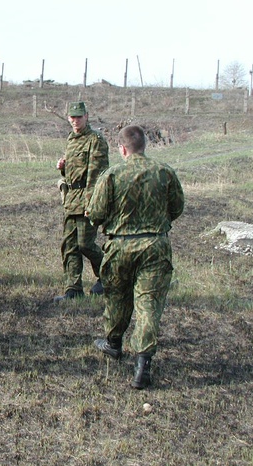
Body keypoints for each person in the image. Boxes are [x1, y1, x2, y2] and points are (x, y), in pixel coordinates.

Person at [89, 125, 185, 389]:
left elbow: (95, 214)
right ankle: (143, 365)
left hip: (120, 246)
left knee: (117, 298)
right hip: (155, 245)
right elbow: (177, 207)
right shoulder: (164, 172)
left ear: (122, 149)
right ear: (145, 145)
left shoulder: (112, 175)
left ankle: (113, 343)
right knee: (149, 304)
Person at [53, 102, 109, 302]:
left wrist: (91, 204)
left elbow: (97, 175)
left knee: (85, 243)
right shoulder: (71, 139)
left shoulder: (96, 140)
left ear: (87, 116)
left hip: (87, 199)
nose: (75, 121)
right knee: (69, 246)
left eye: (79, 117)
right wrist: (63, 167)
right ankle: (73, 289)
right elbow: (73, 171)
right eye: (72, 117)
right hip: (71, 199)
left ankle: (107, 276)